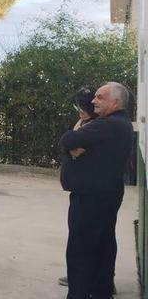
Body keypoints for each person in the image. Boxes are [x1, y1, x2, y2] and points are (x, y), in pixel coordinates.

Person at [59, 82, 134, 299]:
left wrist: (75, 149)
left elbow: (68, 139)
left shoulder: (108, 124)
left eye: (100, 97)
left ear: (115, 102)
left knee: (80, 250)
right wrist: (76, 150)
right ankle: (102, 290)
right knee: (102, 245)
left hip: (92, 198)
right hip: (104, 195)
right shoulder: (117, 124)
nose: (93, 101)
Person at [58, 87, 99, 289]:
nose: (79, 111)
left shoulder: (95, 126)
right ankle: (77, 274)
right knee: (77, 234)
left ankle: (95, 278)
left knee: (90, 235)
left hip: (90, 190)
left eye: (81, 107)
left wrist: (69, 144)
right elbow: (69, 144)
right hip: (78, 188)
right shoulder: (83, 123)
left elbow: (76, 150)